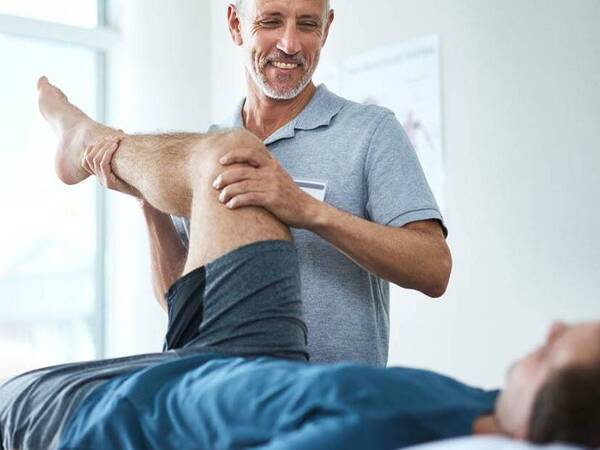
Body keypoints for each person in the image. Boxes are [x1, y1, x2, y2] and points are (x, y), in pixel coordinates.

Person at [96, 0, 453, 367]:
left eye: (307, 25)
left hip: (333, 407)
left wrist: (306, 210)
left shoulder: (370, 132)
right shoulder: (209, 151)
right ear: (236, 24)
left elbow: (434, 268)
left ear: (326, 29)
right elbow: (181, 301)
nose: (289, 44)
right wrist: (149, 200)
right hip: (228, 401)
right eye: (271, 21)